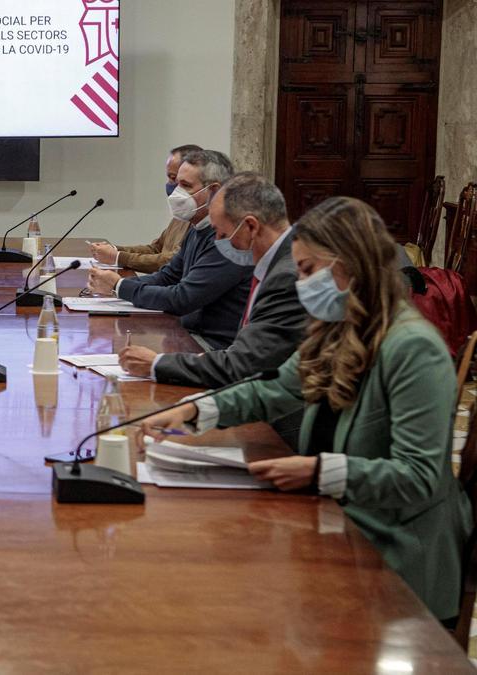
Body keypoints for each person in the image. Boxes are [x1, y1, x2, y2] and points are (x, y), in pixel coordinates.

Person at [135, 197, 472, 622]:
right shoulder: (339, 329)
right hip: (340, 526)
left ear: (350, 264)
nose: (301, 283)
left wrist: (317, 471)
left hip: (397, 554)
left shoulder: (413, 348)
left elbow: (418, 477)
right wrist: (194, 410)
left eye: (309, 270)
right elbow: (273, 389)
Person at [118, 172, 307, 387]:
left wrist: (158, 364)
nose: (217, 242)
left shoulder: (286, 276)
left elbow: (244, 366)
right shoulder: (272, 261)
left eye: (221, 234)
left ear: (251, 227)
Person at [87, 150, 252, 350]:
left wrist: (119, 287)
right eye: (175, 183)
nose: (175, 192)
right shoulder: (196, 227)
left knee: (118, 348)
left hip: (210, 346)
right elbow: (167, 276)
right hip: (184, 333)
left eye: (185, 185)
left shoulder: (226, 237)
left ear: (214, 190)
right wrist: (115, 285)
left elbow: (182, 299)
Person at [89, 144, 202, 273]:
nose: (171, 184)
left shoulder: (201, 221)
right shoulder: (182, 213)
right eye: (169, 178)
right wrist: (114, 250)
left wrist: (118, 257)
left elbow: (171, 261)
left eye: (173, 178)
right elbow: (156, 248)